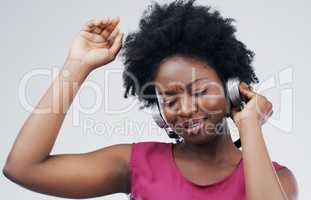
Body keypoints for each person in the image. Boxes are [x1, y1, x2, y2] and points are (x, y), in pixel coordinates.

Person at [3, 0, 298, 199]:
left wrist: (250, 124)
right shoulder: (136, 163)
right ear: (158, 110)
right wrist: (77, 65)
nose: (184, 109)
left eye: (198, 91)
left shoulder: (279, 179)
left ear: (232, 89)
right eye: (169, 99)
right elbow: (23, 168)